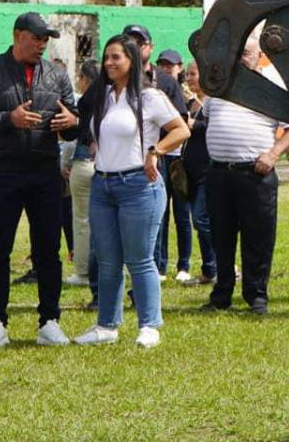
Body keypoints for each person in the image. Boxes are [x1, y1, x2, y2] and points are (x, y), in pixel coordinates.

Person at [0, 12, 79, 349]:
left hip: (45, 170)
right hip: (4, 171)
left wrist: (71, 121)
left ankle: (49, 320)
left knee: (48, 250)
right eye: (37, 37)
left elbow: (75, 120)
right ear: (18, 35)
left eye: (46, 38)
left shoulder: (57, 75)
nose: (42, 43)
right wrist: (8, 118)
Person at [75, 35, 189, 349]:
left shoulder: (149, 97)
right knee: (108, 260)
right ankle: (106, 326)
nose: (109, 63)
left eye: (116, 58)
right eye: (106, 58)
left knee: (140, 259)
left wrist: (156, 150)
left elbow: (181, 129)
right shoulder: (105, 95)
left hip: (138, 186)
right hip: (103, 185)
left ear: (132, 60)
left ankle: (150, 325)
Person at [199, 40, 289, 315]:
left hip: (255, 174)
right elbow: (205, 121)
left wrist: (273, 154)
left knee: (258, 237)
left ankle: (256, 296)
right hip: (220, 172)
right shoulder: (218, 88)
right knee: (221, 236)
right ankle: (221, 295)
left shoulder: (270, 89)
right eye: (236, 52)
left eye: (245, 53)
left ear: (260, 56)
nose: (240, 58)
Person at [122, 25, 191, 283]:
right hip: (123, 161)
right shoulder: (113, 80)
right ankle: (147, 266)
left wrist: (156, 148)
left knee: (167, 213)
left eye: (141, 42)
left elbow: (180, 120)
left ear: (149, 47)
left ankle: (167, 265)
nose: (136, 46)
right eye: (129, 41)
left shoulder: (165, 82)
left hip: (160, 159)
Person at [181, 60, 216, 286]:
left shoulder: (212, 102)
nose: (190, 78)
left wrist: (195, 125)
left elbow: (215, 128)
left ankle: (218, 267)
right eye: (188, 75)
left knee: (203, 219)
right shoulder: (192, 104)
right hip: (191, 171)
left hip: (208, 170)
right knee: (199, 221)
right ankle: (208, 269)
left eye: (193, 74)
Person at [69, 59, 100, 307]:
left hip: (83, 160)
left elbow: (75, 133)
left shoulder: (87, 99)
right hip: (105, 164)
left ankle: (82, 272)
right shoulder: (113, 96)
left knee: (82, 221)